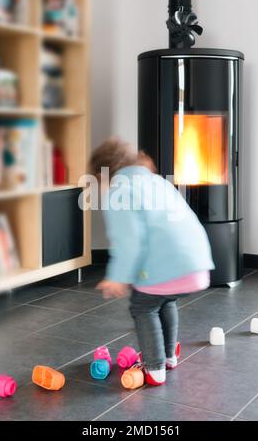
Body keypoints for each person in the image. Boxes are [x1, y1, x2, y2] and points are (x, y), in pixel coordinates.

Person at [89, 138, 214, 386]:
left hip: (166, 267)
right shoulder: (157, 181)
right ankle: (169, 357)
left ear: (103, 174)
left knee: (143, 307)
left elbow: (129, 241)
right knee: (165, 300)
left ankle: (154, 368)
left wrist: (118, 276)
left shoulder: (119, 192)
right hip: (196, 264)